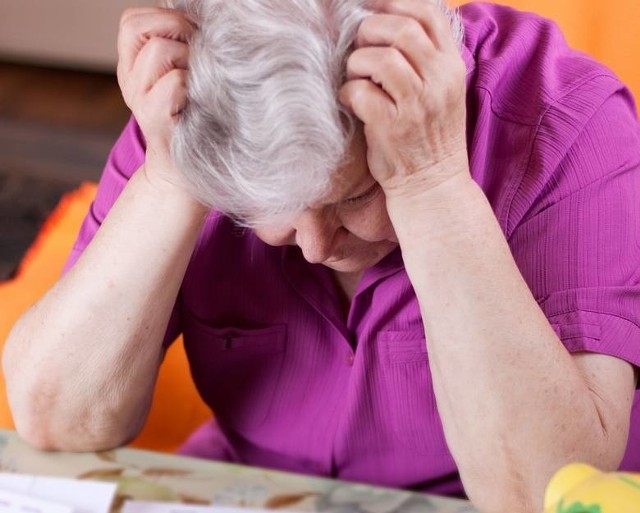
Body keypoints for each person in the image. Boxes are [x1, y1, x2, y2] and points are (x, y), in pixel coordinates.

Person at [3, 0, 640, 511]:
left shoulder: (572, 122)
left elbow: (543, 493)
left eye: (354, 195)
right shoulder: (195, 108)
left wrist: (430, 183)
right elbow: (57, 421)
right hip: (254, 489)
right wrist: (172, 176)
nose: (315, 245)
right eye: (264, 212)